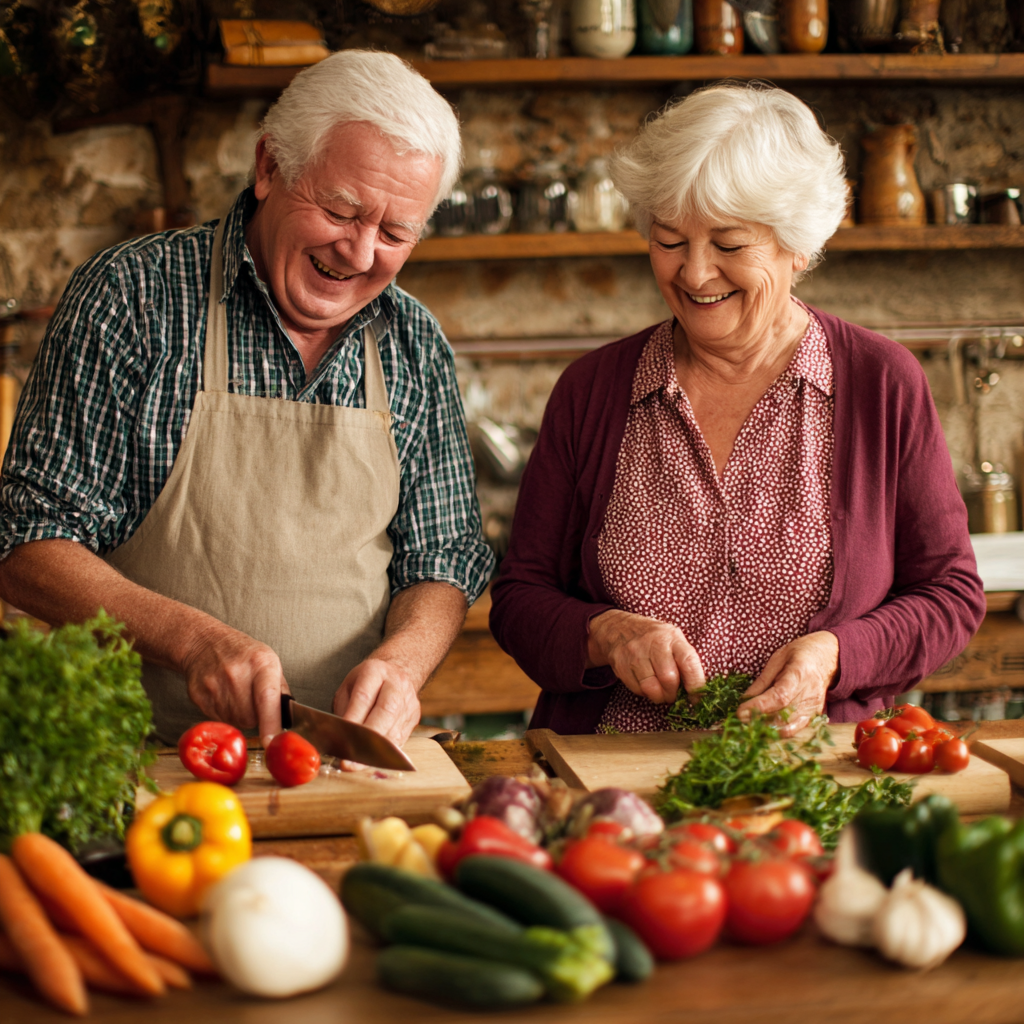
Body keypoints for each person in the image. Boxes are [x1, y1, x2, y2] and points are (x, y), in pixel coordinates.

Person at [0, 50, 494, 748]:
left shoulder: (416, 343)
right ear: (269, 167)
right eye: (341, 210)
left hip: (339, 765)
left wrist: (403, 664)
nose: (357, 253)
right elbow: (27, 541)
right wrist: (190, 641)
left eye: (393, 233)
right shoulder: (133, 297)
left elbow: (442, 556)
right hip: (138, 761)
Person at [490, 83, 984, 738]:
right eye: (670, 241)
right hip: (613, 785)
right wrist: (604, 634)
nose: (694, 275)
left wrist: (834, 657)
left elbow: (950, 596)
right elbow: (519, 598)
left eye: (728, 245)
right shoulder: (591, 391)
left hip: (808, 774)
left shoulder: (882, 384)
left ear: (797, 246)